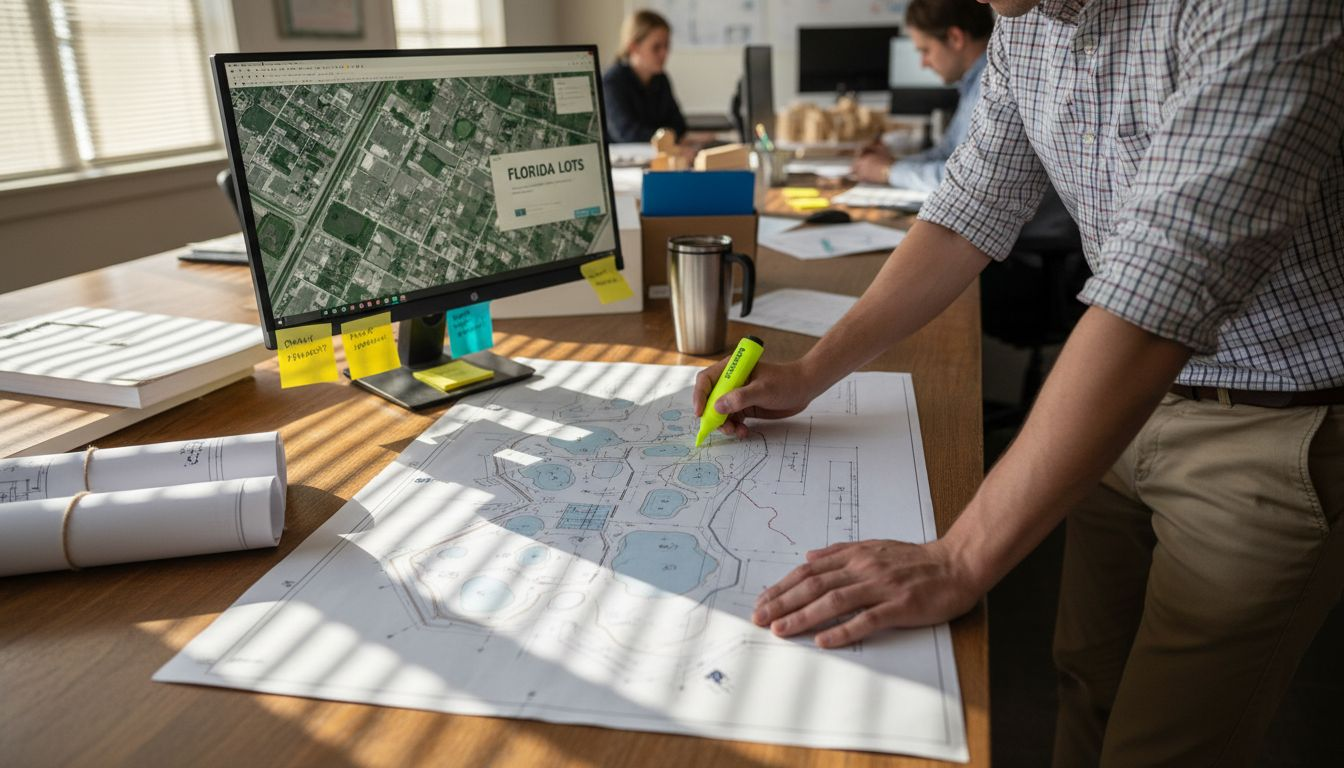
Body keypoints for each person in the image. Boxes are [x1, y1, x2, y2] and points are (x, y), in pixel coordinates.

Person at [694, 1, 1344, 765]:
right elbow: (968, 209)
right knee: (1085, 678)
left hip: (1270, 421)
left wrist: (959, 557)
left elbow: (1165, 280)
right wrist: (811, 372)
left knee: (1159, 745)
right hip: (1111, 402)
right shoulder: (1026, 20)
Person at [851, 0, 993, 191]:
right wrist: (890, 163)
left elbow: (970, 178)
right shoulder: (972, 84)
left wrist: (889, 171)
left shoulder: (990, 84)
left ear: (954, 38)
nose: (923, 64)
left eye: (925, 51)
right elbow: (947, 153)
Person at [601, 9, 687, 143]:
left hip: (658, 156)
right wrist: (665, 137)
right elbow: (625, 133)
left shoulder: (661, 79)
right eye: (656, 47)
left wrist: (664, 137)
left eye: (667, 46)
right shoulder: (612, 81)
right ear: (633, 47)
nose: (664, 54)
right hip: (624, 160)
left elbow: (679, 125)